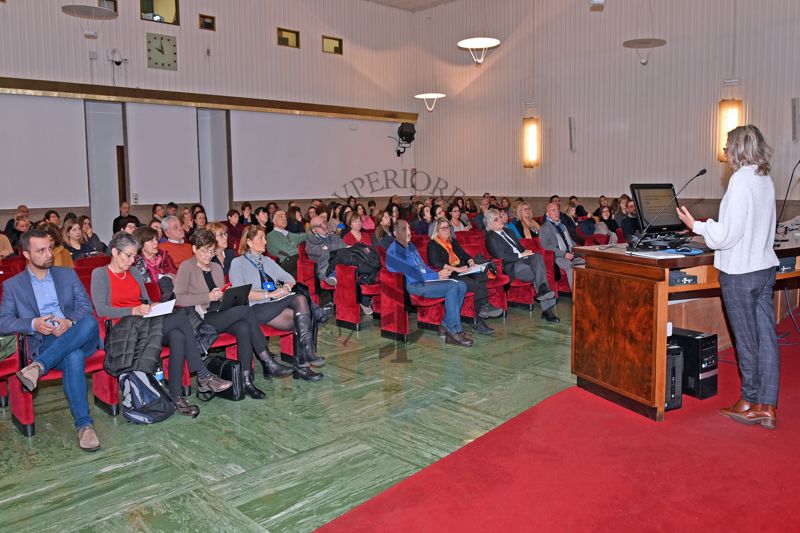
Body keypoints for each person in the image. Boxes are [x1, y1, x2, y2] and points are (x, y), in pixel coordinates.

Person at [677, 125, 780, 429]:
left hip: (740, 273)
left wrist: (697, 226)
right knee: (767, 338)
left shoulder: (740, 181)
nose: (724, 153)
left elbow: (727, 235)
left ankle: (749, 401)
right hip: (764, 269)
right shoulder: (765, 179)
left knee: (746, 340)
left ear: (737, 148)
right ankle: (767, 405)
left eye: (726, 147)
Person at [92, 232, 230, 416]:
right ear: (115, 252)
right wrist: (132, 310)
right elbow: (101, 310)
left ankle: (175, 396)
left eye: (134, 256)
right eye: (129, 255)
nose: (133, 261)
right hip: (124, 329)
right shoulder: (100, 274)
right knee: (181, 316)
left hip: (145, 322)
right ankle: (203, 374)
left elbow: (145, 300)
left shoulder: (133, 272)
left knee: (178, 335)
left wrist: (153, 306)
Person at [0, 229, 102, 450]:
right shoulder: (13, 286)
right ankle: (85, 426)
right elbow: (4, 322)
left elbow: (86, 307)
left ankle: (37, 367)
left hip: (80, 336)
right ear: (26, 254)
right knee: (72, 356)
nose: (49, 254)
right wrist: (34, 323)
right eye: (41, 250)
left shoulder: (67, 274)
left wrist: (68, 322)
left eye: (49, 248)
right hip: (47, 341)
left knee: (90, 322)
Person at [174, 230, 273, 399]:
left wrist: (228, 298)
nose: (208, 255)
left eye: (212, 251)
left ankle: (246, 380)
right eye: (204, 250)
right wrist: (208, 296)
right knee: (246, 311)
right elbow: (179, 298)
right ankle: (266, 358)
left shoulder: (216, 267)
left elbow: (220, 296)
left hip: (218, 313)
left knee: (243, 327)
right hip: (201, 318)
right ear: (194, 249)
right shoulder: (187, 266)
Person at [229, 225, 324, 381]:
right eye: (261, 238)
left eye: (265, 237)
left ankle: (303, 366)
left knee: (300, 319)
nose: (265, 241)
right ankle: (306, 356)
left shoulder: (266, 261)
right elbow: (241, 295)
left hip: (273, 304)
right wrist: (269, 294)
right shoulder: (238, 263)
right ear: (250, 242)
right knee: (300, 301)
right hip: (254, 309)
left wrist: (285, 288)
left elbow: (290, 279)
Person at [387, 220, 472, 346]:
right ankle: (453, 331)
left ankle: (447, 324)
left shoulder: (410, 246)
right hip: (412, 286)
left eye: (409, 228)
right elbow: (412, 275)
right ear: (395, 233)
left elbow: (423, 267)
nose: (410, 232)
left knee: (461, 285)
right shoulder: (394, 252)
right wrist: (437, 275)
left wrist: (439, 274)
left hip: (424, 281)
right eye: (405, 230)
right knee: (452, 287)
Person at [427, 220, 503, 335]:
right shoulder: (433, 244)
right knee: (475, 284)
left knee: (481, 274)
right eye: (443, 228)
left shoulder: (452, 241)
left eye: (448, 227)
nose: (447, 230)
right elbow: (435, 262)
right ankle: (480, 319)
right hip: (450, 273)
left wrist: (471, 262)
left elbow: (464, 254)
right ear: (436, 231)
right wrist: (457, 269)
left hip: (462, 269)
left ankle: (484, 309)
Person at [484, 209, 559, 323]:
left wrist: (526, 252)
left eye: (500, 217)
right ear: (490, 224)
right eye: (496, 219)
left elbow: (519, 246)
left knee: (538, 257)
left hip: (523, 259)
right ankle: (547, 309)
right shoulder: (490, 237)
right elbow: (500, 256)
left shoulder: (508, 231)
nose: (500, 220)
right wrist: (520, 255)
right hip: (512, 265)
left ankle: (543, 291)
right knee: (539, 273)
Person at [539, 202, 586, 291]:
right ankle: (577, 297)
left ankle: (587, 291)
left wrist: (578, 250)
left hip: (571, 254)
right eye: (553, 210)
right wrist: (563, 254)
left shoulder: (562, 226)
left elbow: (571, 242)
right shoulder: (544, 228)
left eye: (557, 210)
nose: (557, 212)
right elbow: (546, 247)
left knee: (587, 264)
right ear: (547, 214)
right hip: (558, 257)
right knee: (570, 267)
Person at [305, 216, 346, 286]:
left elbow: (345, 248)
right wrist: (336, 249)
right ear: (314, 230)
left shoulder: (333, 236)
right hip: (326, 268)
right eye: (320, 226)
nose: (324, 226)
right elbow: (323, 255)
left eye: (324, 223)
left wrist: (328, 248)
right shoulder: (311, 242)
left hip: (341, 264)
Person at [267, 210, 306, 278]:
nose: (284, 218)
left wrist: (320, 235)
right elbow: (287, 251)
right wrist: (304, 251)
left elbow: (305, 237)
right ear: (274, 221)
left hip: (296, 261)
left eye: (285, 216)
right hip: (285, 264)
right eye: (280, 216)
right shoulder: (271, 235)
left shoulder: (289, 234)